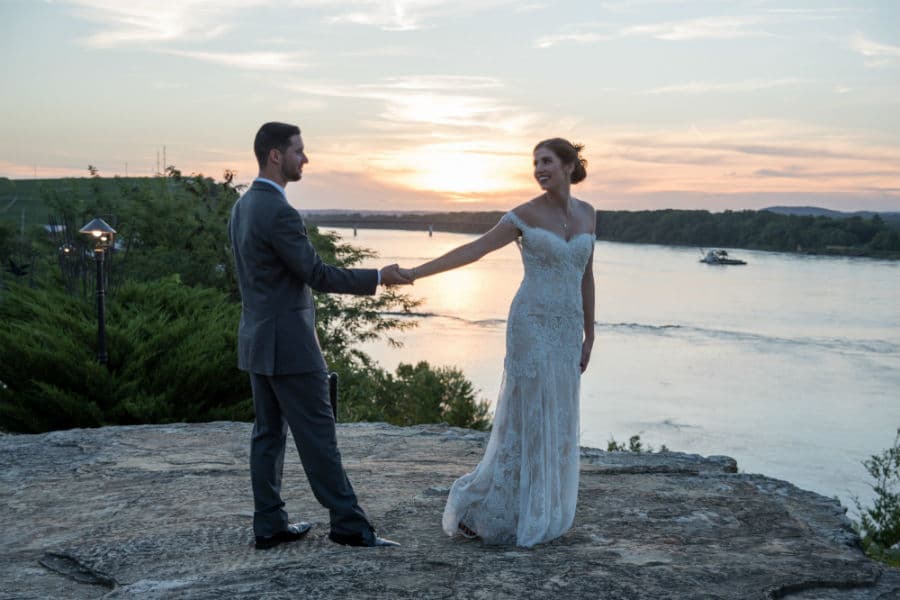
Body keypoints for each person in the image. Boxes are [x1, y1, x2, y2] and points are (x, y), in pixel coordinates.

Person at [399, 138, 595, 547]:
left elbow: (586, 275)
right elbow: (475, 250)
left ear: (569, 165)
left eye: (547, 162)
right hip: (530, 325)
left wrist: (589, 334)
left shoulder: (589, 214)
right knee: (524, 419)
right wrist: (416, 272)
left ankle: (537, 508)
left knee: (557, 417)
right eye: (535, 163)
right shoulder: (523, 214)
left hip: (566, 331)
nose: (539, 169)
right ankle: (480, 509)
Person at [229, 122, 410, 550]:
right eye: (299, 151)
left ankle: (269, 524)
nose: (304, 159)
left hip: (257, 340)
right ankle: (349, 525)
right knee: (319, 435)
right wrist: (378, 276)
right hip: (290, 345)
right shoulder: (279, 211)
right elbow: (317, 274)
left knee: (267, 434)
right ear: (275, 155)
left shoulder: (243, 206)